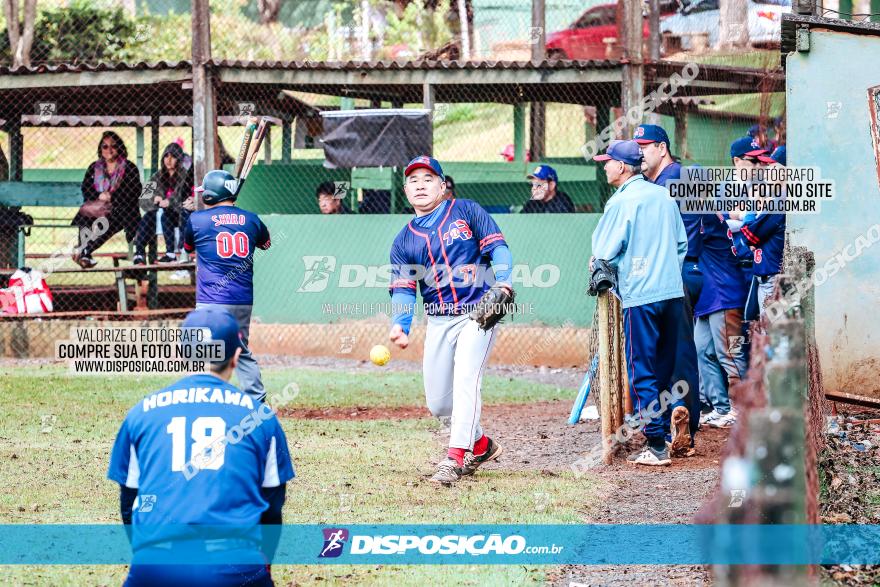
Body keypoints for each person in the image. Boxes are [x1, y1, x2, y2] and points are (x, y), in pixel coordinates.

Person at [108, 308, 294, 587]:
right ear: (235, 357)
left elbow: (128, 503)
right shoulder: (260, 418)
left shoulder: (141, 413)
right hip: (234, 565)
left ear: (184, 353)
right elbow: (272, 508)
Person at [387, 156, 512, 484]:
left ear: (443, 186)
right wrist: (400, 325)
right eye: (413, 181)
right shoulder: (404, 241)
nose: (421, 185)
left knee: (466, 381)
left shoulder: (466, 211)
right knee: (439, 404)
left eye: (429, 179)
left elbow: (498, 249)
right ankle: (482, 444)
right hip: (438, 320)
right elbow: (403, 288)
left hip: (478, 313)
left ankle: (454, 458)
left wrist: (504, 280)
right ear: (405, 191)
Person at [590, 140, 688, 466]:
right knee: (663, 368)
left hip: (641, 298)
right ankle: (665, 430)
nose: (605, 166)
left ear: (621, 167)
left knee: (641, 371)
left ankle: (658, 444)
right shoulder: (663, 195)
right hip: (673, 294)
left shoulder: (621, 202)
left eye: (608, 162)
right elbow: (680, 246)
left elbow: (603, 252)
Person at [633, 123, 701, 454]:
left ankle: (679, 423)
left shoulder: (677, 178)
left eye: (645, 146)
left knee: (674, 353)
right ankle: (673, 422)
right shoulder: (658, 183)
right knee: (671, 353)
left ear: (662, 148)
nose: (639, 152)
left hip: (679, 273)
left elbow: (682, 239)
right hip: (675, 273)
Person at [694, 137, 766, 429]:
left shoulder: (761, 189)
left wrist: (742, 219)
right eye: (753, 160)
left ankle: (742, 408)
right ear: (737, 162)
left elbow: (751, 224)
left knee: (732, 350)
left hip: (733, 281)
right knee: (704, 349)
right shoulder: (719, 195)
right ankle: (721, 407)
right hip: (717, 284)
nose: (759, 165)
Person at [184, 170, 271, 403]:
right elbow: (266, 243)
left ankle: (201, 397)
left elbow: (188, 248)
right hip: (242, 300)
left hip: (210, 301)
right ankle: (256, 401)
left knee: (200, 349)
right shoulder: (252, 219)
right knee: (240, 349)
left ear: (211, 195)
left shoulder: (196, 220)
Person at [71, 131, 142, 268]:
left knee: (109, 219)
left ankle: (85, 250)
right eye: (105, 146)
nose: (109, 150)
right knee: (86, 213)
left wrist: (112, 197)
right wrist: (99, 196)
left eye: (113, 146)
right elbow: (86, 189)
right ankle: (85, 251)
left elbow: (134, 192)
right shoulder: (94, 168)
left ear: (120, 148)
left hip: (122, 209)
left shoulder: (129, 167)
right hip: (99, 207)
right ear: (100, 149)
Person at [735, 145, 787, 316]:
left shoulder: (781, 201)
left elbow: (749, 236)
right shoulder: (777, 198)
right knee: (770, 336)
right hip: (769, 277)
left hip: (774, 280)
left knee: (775, 338)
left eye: (772, 166)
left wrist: (752, 206)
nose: (767, 171)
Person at [133, 143, 194, 265]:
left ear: (179, 159)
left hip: (179, 213)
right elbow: (143, 199)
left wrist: (169, 202)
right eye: (166, 156)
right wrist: (154, 200)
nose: (169, 160)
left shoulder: (185, 175)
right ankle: (139, 254)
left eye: (173, 157)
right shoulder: (157, 176)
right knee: (147, 217)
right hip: (160, 214)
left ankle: (176, 253)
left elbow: (181, 196)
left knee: (168, 215)